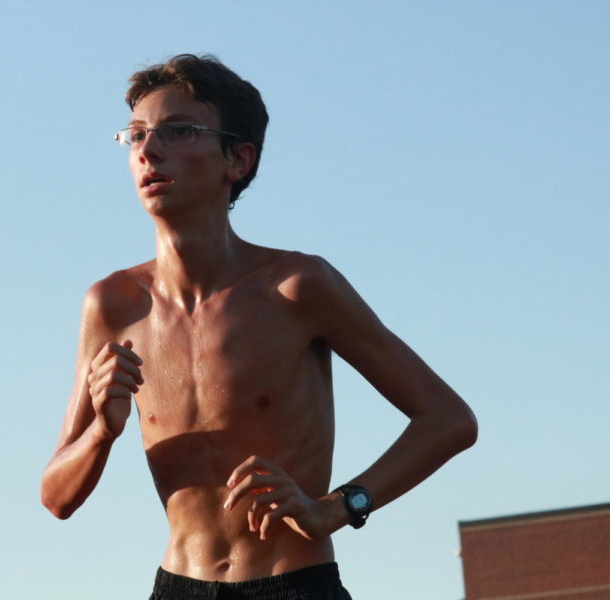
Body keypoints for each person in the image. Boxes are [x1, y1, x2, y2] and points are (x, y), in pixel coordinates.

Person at [40, 53, 478, 600]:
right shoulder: (112, 305)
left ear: (238, 160)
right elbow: (56, 496)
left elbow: (449, 419)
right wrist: (103, 432)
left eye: (178, 131)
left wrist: (342, 507)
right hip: (177, 587)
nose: (149, 151)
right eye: (135, 136)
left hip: (294, 584)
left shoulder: (297, 285)